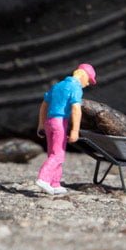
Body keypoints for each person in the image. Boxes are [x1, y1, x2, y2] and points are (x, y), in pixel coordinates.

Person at [35, 63, 97, 195]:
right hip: (59, 122)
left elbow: (44, 104)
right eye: (89, 80)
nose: (88, 84)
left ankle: (55, 183)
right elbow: (76, 109)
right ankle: (43, 178)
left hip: (49, 122)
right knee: (58, 155)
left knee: (53, 152)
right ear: (82, 75)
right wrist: (75, 131)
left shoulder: (58, 85)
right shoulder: (75, 87)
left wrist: (41, 123)